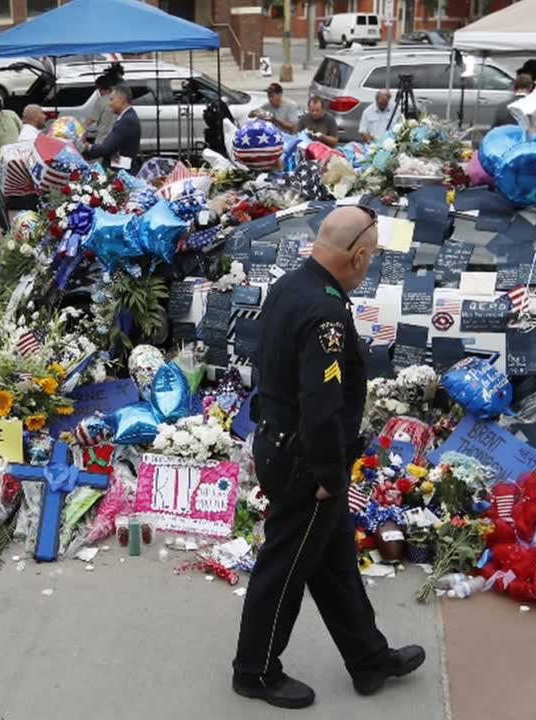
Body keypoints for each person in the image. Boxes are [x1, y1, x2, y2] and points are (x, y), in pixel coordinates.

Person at [232, 205, 425, 710]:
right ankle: (255, 670)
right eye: (373, 257)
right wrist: (324, 473)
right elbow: (321, 405)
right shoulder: (327, 314)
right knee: (285, 571)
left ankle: (369, 658)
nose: (371, 266)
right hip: (305, 462)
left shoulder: (290, 286)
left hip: (282, 445)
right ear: (359, 256)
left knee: (334, 561)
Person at [84, 85, 141, 169]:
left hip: (122, 170)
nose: (110, 104)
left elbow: (106, 148)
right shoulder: (129, 116)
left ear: (121, 100)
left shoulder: (126, 120)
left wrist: (87, 147)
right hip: (122, 164)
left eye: (112, 99)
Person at [84, 75, 118, 142]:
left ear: (99, 88)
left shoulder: (101, 101)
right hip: (117, 138)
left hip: (104, 138)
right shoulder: (119, 99)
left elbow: (89, 121)